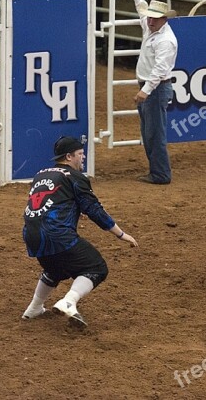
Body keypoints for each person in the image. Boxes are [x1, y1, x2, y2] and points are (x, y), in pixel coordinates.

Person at [22, 136, 138, 329]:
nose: (83, 158)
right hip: (57, 234)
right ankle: (68, 301)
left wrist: (73, 211)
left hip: (31, 235)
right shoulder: (75, 177)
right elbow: (94, 209)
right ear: (69, 156)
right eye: (80, 154)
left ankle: (34, 307)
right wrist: (120, 234)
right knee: (97, 267)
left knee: (55, 268)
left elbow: (50, 202)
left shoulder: (40, 175)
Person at [120, 0, 178, 185]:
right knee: (150, 132)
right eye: (150, 17)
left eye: (153, 18)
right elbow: (142, 11)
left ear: (164, 19)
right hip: (153, 87)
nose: (149, 20)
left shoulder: (166, 41)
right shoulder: (155, 30)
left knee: (153, 133)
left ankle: (160, 174)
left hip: (155, 88)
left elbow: (160, 70)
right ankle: (158, 172)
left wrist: (145, 91)